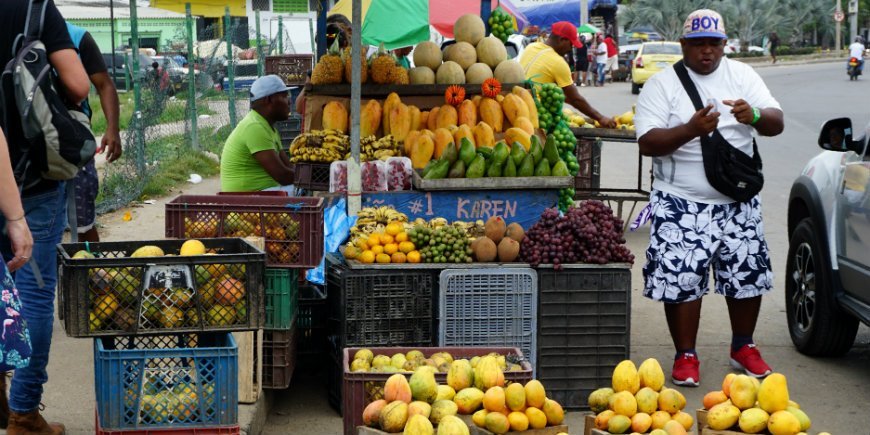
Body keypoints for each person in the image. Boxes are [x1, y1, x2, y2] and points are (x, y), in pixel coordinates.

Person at [634, 9, 784, 387]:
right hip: (679, 200)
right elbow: (648, 143)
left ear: (724, 44)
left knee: (746, 274)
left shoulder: (742, 75)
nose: (706, 52)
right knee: (682, 280)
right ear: (683, 45)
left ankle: (743, 345)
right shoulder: (661, 84)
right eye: (698, 44)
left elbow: (776, 122)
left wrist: (753, 117)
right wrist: (690, 129)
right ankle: (686, 354)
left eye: (713, 44)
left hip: (737, 200)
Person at [0, 0, 90, 432]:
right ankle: (23, 412)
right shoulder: (33, 7)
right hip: (33, 171)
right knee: (33, 292)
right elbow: (78, 84)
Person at [65, 22, 122, 243]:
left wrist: (113, 129)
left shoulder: (77, 37)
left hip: (74, 142)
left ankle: (92, 269)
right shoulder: (14, 28)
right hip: (24, 144)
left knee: (83, 218)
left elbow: (104, 85)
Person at [519, 22, 616, 128]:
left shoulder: (531, 47)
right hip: (537, 117)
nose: (571, 49)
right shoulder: (558, 62)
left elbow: (566, 97)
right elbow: (575, 99)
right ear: (562, 40)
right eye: (571, 44)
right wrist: (600, 118)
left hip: (518, 108)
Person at [220, 75, 297, 193]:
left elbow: (288, 167)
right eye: (284, 96)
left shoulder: (268, 127)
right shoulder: (254, 127)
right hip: (245, 203)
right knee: (304, 191)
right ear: (269, 100)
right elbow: (283, 176)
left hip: (259, 196)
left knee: (304, 189)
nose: (289, 101)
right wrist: (313, 180)